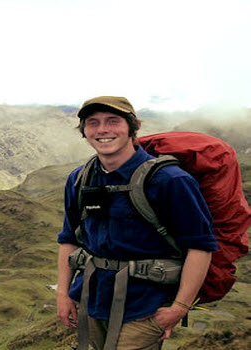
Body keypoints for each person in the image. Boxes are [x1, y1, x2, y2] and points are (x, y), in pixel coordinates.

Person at [56, 96, 218, 350]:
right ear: (84, 131)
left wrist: (179, 308)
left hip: (146, 305)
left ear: (133, 127)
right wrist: (63, 295)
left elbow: (200, 246)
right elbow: (68, 239)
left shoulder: (170, 180)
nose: (102, 130)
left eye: (113, 121)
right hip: (91, 299)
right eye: (92, 123)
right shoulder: (79, 179)